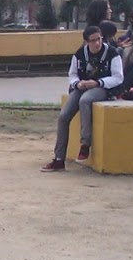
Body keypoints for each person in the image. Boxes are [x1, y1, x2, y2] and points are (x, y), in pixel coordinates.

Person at [42, 24, 123, 170]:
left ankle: (85, 143)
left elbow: (118, 77)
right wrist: (77, 83)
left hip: (102, 88)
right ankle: (59, 158)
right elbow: (72, 74)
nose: (97, 43)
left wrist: (98, 82)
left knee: (85, 101)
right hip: (82, 86)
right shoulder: (80, 54)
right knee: (63, 116)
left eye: (99, 39)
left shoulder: (112, 53)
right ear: (86, 42)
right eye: (93, 40)